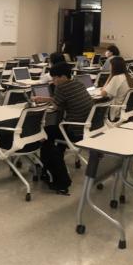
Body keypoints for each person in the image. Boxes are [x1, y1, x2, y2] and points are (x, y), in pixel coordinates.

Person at [32, 62, 93, 194]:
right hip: (87, 129)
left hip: (75, 131)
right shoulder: (78, 83)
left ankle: (56, 175)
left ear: (63, 77)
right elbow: (60, 101)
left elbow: (56, 105)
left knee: (45, 134)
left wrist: (42, 101)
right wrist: (44, 98)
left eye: (55, 78)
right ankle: (54, 163)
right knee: (54, 132)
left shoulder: (62, 87)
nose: (53, 81)